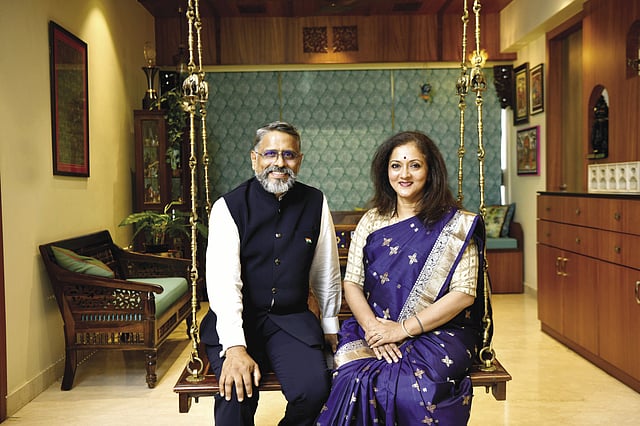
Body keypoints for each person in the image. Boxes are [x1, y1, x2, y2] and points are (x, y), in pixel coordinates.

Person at [316, 131, 490, 425]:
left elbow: (463, 294)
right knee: (352, 377)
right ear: (386, 172)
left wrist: (402, 330)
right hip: (375, 327)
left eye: (415, 165)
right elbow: (352, 282)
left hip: (440, 333)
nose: (404, 174)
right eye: (396, 166)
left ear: (431, 171)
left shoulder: (455, 225)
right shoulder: (372, 220)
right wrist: (374, 329)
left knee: (411, 389)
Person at [199, 121, 342, 426]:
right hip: (239, 319)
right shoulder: (228, 207)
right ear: (255, 159)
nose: (280, 162)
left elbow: (325, 270)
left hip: (291, 321)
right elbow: (224, 284)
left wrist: (330, 323)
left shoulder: (315, 202)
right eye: (270, 154)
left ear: (299, 160)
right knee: (235, 394)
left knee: (314, 391)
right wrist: (234, 347)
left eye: (288, 155)